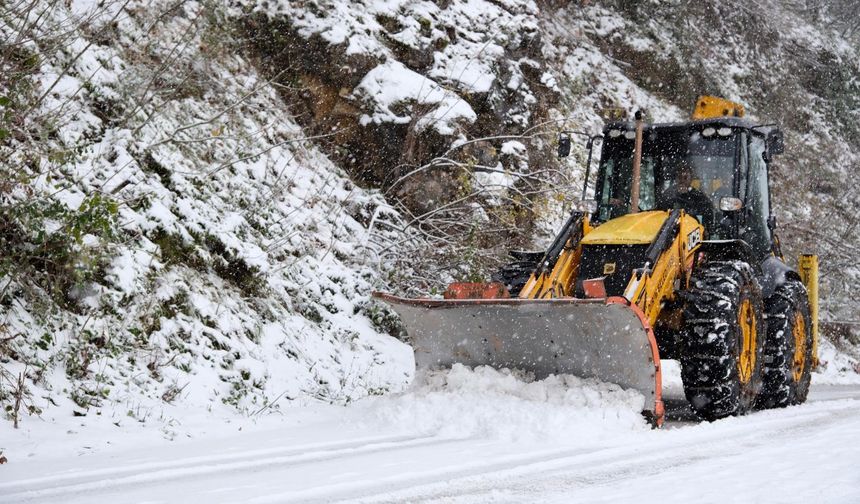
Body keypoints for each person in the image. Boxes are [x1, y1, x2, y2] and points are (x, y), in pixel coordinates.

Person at [658, 162, 714, 231]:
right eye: (679, 177)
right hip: (669, 231)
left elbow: (708, 213)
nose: (682, 181)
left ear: (691, 179)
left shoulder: (699, 196)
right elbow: (660, 211)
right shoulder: (668, 194)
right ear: (676, 178)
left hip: (692, 231)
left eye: (685, 178)